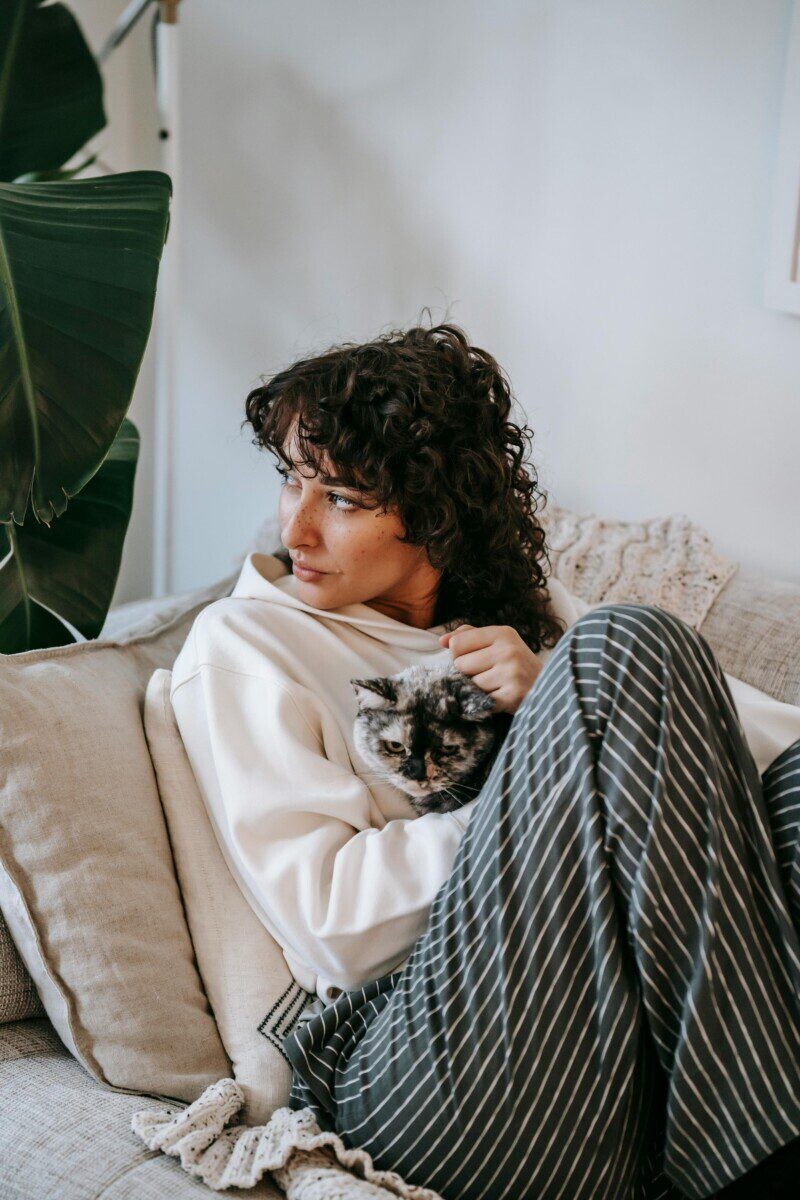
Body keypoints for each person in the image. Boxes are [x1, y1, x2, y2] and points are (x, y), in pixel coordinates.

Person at [171, 321, 800, 1199]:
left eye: (343, 498)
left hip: (590, 1047)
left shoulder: (525, 616)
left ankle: (747, 1123)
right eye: (290, 478)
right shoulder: (247, 642)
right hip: (420, 1073)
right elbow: (334, 929)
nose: (296, 526)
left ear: (435, 511)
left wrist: (551, 696)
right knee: (629, 642)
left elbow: (752, 746)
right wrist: (559, 762)